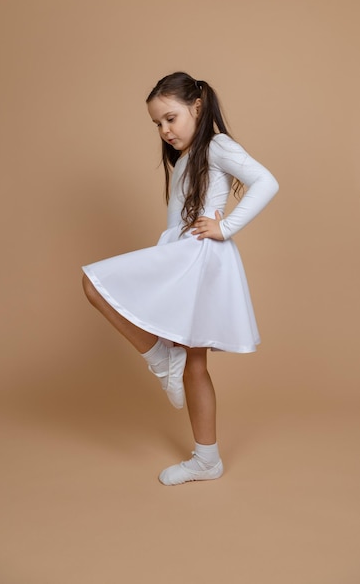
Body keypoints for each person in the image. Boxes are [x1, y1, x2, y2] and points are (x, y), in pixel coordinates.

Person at [82, 71, 279, 486]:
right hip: (181, 257)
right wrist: (162, 261)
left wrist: (226, 228)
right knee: (192, 363)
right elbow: (175, 221)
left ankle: (159, 360)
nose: (165, 130)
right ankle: (206, 457)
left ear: (197, 106)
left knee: (99, 287)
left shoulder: (217, 145)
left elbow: (266, 181)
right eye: (157, 123)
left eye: (170, 118)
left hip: (201, 260)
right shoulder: (187, 157)